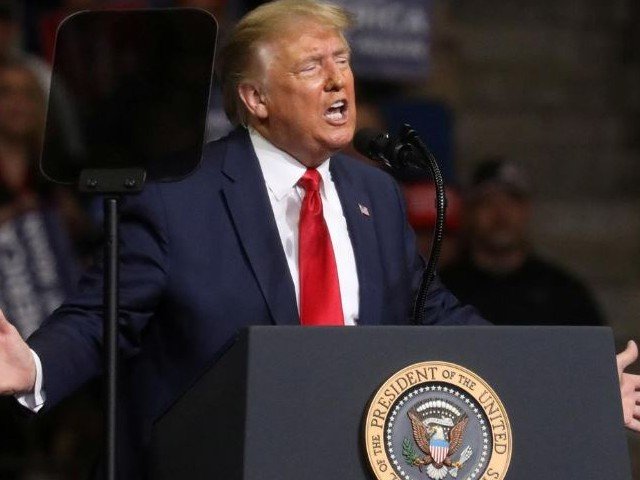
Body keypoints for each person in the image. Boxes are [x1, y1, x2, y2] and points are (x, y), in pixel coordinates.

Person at [0, 1, 638, 478]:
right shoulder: (176, 199)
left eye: (343, 62)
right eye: (312, 67)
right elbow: (100, 318)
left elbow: (440, 318)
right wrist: (33, 365)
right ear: (254, 98)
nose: (339, 81)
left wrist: (567, 381)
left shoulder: (375, 196)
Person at [441, 157, 605, 326]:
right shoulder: (443, 292)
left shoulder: (564, 294)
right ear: (469, 212)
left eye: (511, 202)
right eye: (487, 202)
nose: (500, 214)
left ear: (527, 210)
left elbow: (592, 349)